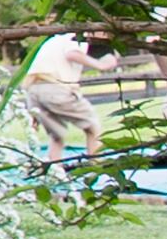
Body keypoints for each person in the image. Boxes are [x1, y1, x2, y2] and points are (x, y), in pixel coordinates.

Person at [22, 31, 117, 166]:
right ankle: (95, 166)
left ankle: (55, 169)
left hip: (34, 89)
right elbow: (72, 53)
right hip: (55, 88)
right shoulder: (75, 39)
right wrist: (99, 64)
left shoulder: (54, 40)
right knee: (92, 126)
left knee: (57, 135)